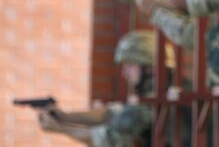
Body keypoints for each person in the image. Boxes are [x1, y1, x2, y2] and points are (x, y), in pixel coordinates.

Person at [36, 30, 180, 147]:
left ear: (150, 67)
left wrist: (59, 128)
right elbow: (113, 113)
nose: (124, 73)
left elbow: (108, 138)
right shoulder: (170, 90)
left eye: (130, 65)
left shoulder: (153, 99)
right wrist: (64, 117)